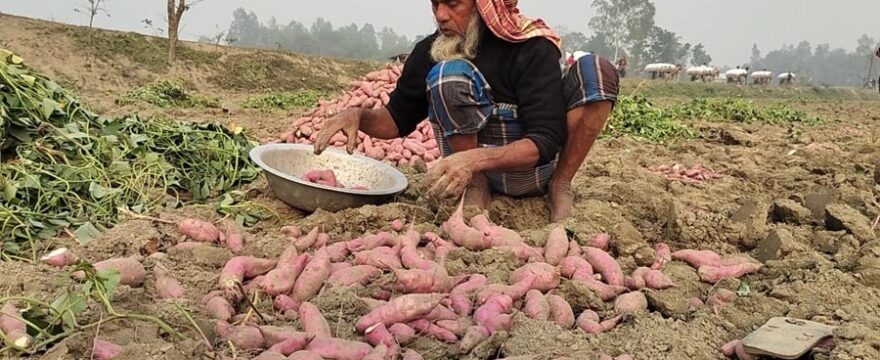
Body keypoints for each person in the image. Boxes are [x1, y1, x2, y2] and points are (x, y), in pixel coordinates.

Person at [313, 0, 619, 222]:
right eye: (434, 5)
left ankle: (560, 184)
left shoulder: (531, 49)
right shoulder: (429, 52)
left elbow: (545, 139)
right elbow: (396, 120)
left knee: (598, 71)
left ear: (482, 5)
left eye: (453, 4)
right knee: (449, 74)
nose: (441, 15)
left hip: (531, 173)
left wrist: (474, 159)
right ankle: (477, 186)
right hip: (467, 175)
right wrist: (359, 116)